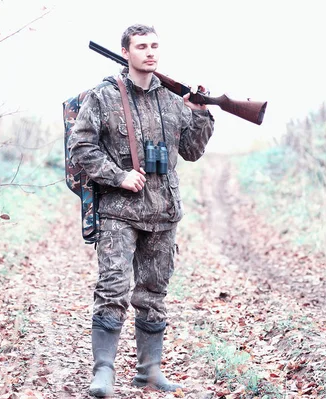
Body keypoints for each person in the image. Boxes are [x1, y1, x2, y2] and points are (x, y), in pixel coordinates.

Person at [67, 24, 215, 397]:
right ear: (126, 52)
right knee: (113, 287)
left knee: (153, 292)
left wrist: (200, 112)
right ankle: (103, 373)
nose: (150, 52)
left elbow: (193, 152)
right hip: (119, 210)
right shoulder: (103, 97)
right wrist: (118, 176)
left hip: (163, 211)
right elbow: (81, 148)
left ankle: (149, 373)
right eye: (141, 46)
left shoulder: (171, 101)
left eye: (154, 46)